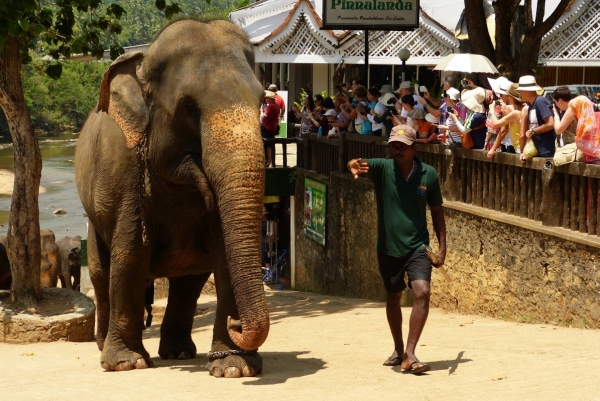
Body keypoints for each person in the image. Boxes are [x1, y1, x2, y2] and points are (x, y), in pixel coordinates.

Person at [346, 124, 446, 374]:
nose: (396, 150)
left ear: (414, 148)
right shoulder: (382, 168)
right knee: (393, 296)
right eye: (393, 145)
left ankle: (410, 353)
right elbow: (357, 163)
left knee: (422, 291)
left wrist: (442, 248)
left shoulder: (428, 174)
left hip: (418, 247)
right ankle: (399, 348)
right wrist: (353, 165)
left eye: (402, 146)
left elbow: (437, 212)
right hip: (388, 248)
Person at [552, 85, 599, 162]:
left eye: (555, 102)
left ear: (560, 101)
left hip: (574, 150)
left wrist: (556, 115)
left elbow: (558, 130)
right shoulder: (585, 109)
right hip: (586, 149)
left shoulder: (572, 108)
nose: (556, 105)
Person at [516, 75, 556, 159]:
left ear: (525, 91)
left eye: (520, 91)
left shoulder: (540, 101)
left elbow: (550, 123)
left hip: (547, 151)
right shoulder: (531, 104)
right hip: (539, 150)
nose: (519, 94)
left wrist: (533, 131)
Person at [487, 82, 524, 158]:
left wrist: (491, 111)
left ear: (510, 96)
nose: (500, 97)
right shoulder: (525, 108)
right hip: (521, 146)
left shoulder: (509, 109)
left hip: (511, 145)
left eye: (501, 95)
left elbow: (501, 128)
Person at [260, 90, 280, 167]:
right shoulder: (276, 106)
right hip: (272, 127)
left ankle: (270, 162)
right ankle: (269, 161)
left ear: (270, 99)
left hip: (268, 128)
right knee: (269, 146)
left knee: (268, 146)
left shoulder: (271, 106)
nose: (265, 100)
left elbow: (263, 117)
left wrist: (261, 111)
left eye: (267, 98)